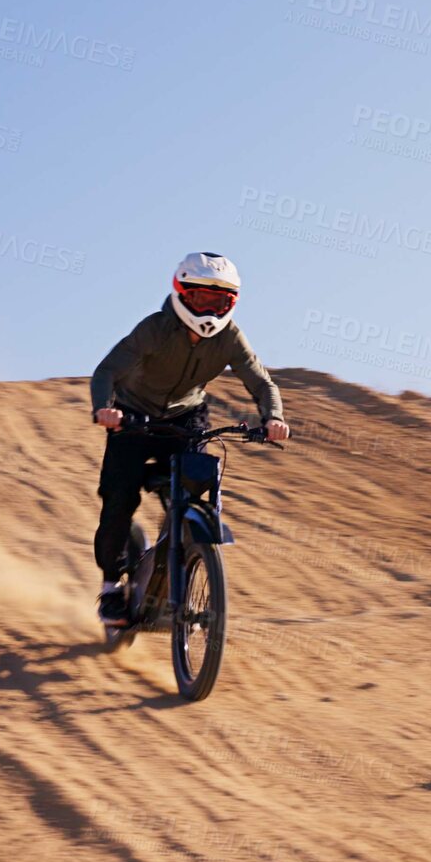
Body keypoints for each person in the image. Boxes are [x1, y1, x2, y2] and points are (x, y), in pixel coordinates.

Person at [89, 252, 289, 625]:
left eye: (221, 301)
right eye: (202, 299)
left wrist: (273, 417)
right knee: (118, 501)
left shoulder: (230, 337)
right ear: (181, 293)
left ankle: (182, 566)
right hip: (133, 419)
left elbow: (261, 382)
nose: (211, 309)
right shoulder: (154, 329)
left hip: (187, 418)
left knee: (194, 495)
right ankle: (111, 588)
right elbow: (106, 372)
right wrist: (105, 408)